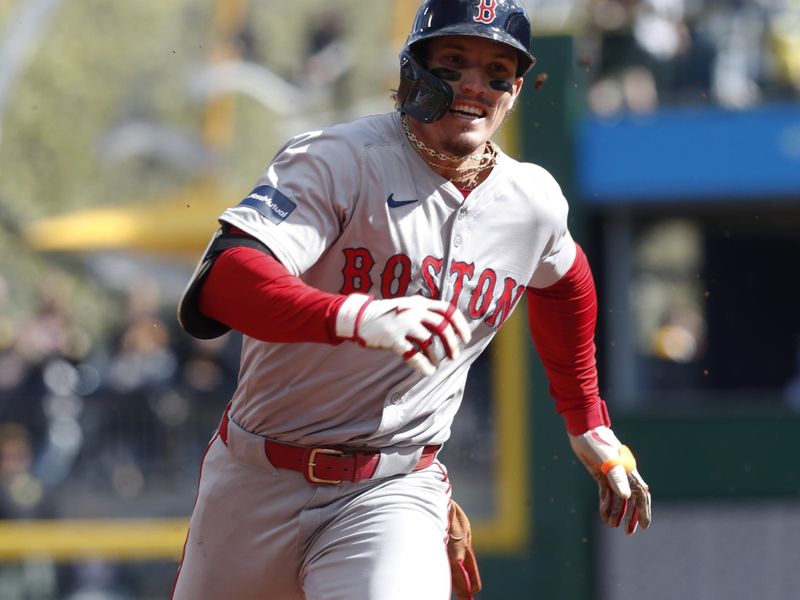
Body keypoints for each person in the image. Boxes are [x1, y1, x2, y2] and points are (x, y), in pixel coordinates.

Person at [172, 1, 652, 599]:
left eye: (497, 70)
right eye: (454, 62)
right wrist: (353, 314)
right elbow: (227, 278)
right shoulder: (339, 159)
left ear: (516, 89)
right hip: (254, 477)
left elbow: (568, 284)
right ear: (413, 70)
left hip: (392, 486)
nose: (475, 84)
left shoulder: (531, 201)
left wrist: (587, 421)